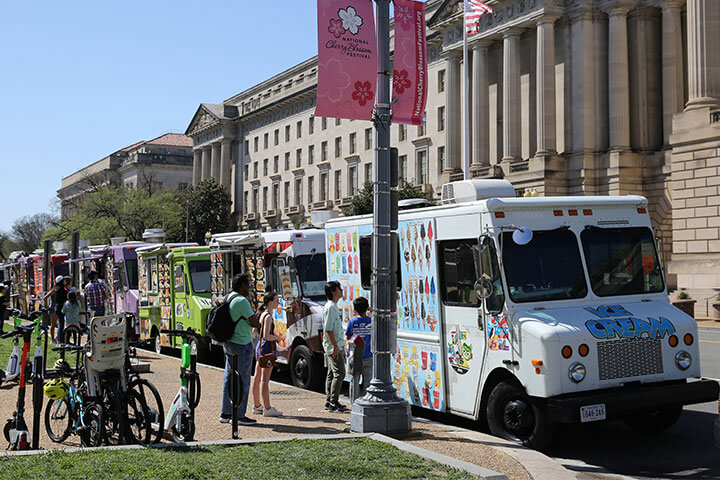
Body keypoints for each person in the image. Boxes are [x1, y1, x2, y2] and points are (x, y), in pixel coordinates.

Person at [220, 273, 261, 425]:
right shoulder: (242, 301)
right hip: (242, 343)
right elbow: (255, 322)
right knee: (243, 379)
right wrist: (253, 307)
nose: (249, 287)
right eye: (248, 285)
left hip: (228, 341)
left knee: (228, 378)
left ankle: (226, 413)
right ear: (242, 286)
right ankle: (240, 415)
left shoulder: (228, 297)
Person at [251, 291, 284, 417]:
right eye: (276, 301)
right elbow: (266, 335)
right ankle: (268, 408)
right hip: (267, 350)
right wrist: (277, 338)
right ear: (270, 302)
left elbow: (255, 331)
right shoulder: (268, 316)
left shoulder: (262, 314)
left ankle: (256, 405)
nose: (278, 303)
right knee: (264, 380)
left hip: (259, 348)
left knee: (257, 377)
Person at [322, 280, 347, 412]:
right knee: (340, 373)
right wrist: (335, 347)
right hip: (333, 346)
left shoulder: (332, 306)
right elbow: (329, 329)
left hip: (333, 345)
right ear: (333, 292)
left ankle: (329, 401)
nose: (341, 291)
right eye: (339, 289)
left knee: (331, 373)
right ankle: (333, 402)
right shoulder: (331, 307)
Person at [346, 296, 372, 403]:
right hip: (368, 356)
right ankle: (366, 403)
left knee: (354, 381)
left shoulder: (352, 322)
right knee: (368, 381)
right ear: (368, 308)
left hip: (355, 356)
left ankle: (354, 402)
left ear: (354, 309)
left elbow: (348, 337)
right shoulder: (371, 321)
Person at [44, 276, 68, 342]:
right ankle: (56, 338)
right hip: (57, 307)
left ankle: (53, 339)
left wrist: (47, 306)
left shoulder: (54, 289)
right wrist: (47, 306)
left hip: (53, 307)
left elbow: (45, 298)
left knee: (53, 324)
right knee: (57, 324)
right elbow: (45, 297)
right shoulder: (59, 290)